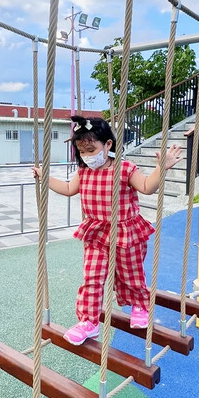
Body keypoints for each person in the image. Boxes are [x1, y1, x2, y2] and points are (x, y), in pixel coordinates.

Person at [32, 114, 183, 345]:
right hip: (96, 233)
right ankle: (88, 322)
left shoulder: (125, 169)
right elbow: (68, 188)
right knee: (91, 278)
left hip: (126, 232)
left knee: (131, 275)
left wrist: (161, 168)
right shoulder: (84, 171)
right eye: (82, 151)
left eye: (91, 150)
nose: (87, 156)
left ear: (108, 144)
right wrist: (45, 177)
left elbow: (146, 187)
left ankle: (140, 306)